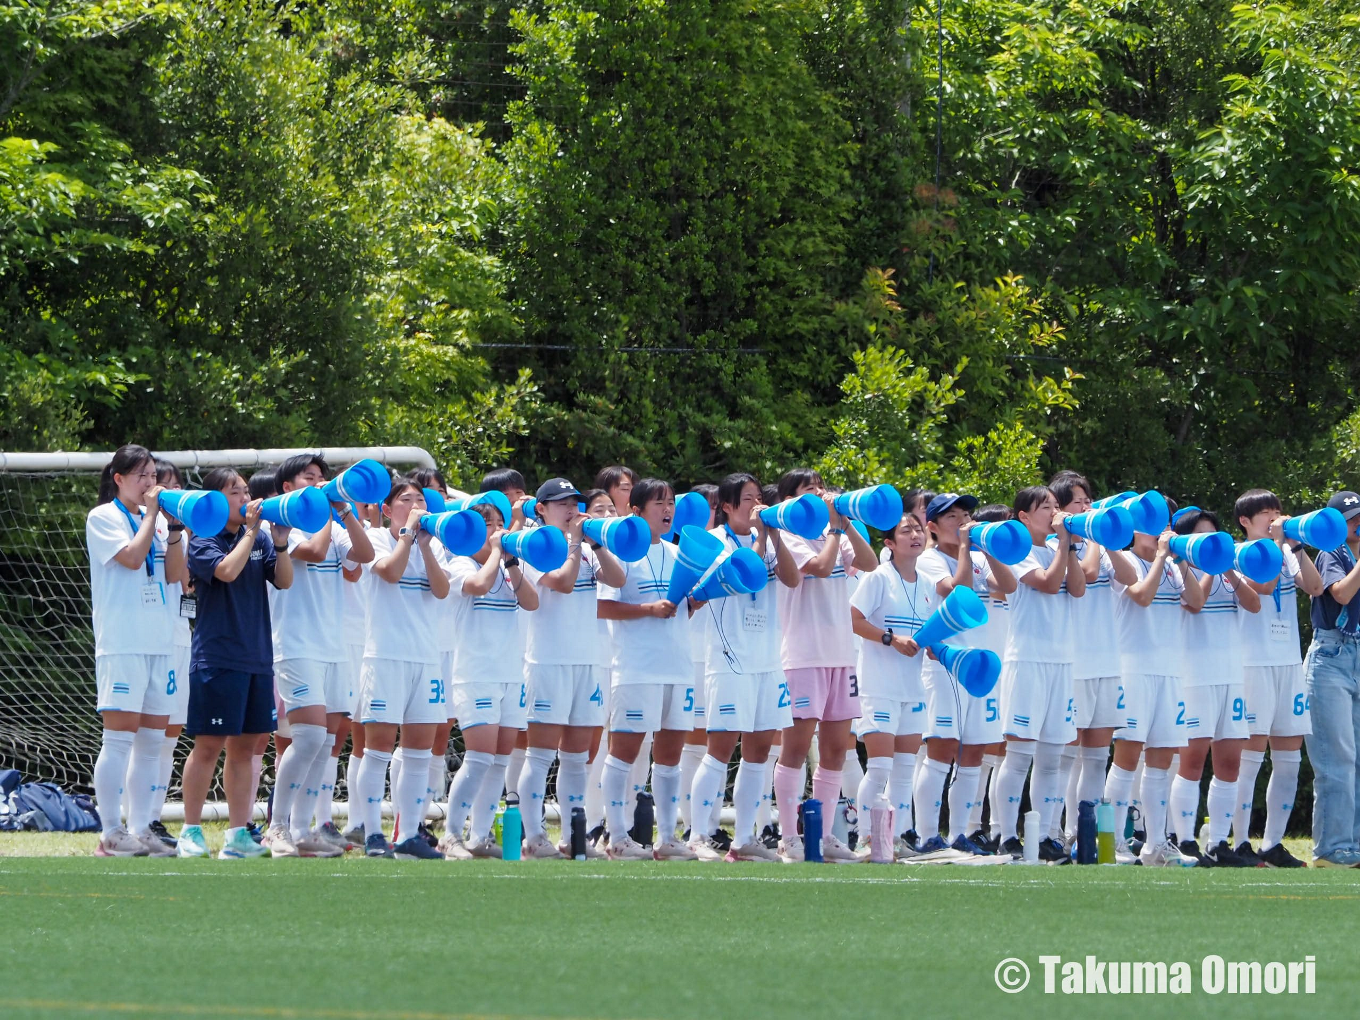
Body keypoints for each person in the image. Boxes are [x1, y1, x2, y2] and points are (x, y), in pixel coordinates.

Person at [179, 467, 294, 859]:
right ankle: (190, 831)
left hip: (257, 657)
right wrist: (249, 533)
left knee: (246, 749)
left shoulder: (260, 537)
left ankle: (237, 834)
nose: (246, 498)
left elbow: (285, 581)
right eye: (235, 492)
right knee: (208, 745)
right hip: (218, 657)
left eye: (246, 490)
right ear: (214, 499)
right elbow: (226, 572)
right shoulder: (203, 539)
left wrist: (278, 544)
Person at [265, 454, 374, 856]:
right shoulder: (276, 523)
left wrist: (344, 510)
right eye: (308, 478)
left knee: (325, 742)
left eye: (322, 478)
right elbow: (311, 551)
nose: (319, 483)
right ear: (288, 488)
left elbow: (363, 555)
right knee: (308, 737)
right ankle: (277, 827)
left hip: (333, 646)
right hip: (295, 645)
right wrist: (326, 510)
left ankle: (301, 827)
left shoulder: (333, 523)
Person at [688, 473, 799, 861]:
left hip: (767, 660)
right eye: (748, 499)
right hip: (729, 658)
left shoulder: (768, 540)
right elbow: (741, 569)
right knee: (719, 749)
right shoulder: (716, 542)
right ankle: (699, 834)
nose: (756, 505)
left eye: (758, 497)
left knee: (759, 751)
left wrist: (775, 534)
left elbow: (792, 578)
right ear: (728, 507)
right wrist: (761, 536)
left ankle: (744, 838)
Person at [771, 469, 878, 862]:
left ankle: (826, 834)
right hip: (802, 656)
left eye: (820, 488)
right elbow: (816, 568)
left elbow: (867, 562)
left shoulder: (832, 532)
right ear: (791, 500)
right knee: (795, 748)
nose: (818, 494)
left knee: (835, 749)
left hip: (840, 655)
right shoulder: (788, 536)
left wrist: (845, 524)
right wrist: (834, 530)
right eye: (807, 490)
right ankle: (789, 836)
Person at [85, 444, 186, 857]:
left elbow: (178, 576)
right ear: (119, 479)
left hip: (160, 642)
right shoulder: (104, 516)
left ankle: (141, 826)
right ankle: (111, 831)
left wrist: (175, 529)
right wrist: (150, 517)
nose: (150, 483)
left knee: (152, 740)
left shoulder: (159, 524)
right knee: (119, 738)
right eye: (141, 476)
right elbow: (130, 558)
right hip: (124, 642)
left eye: (153, 476)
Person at [517, 477, 626, 858]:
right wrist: (577, 544)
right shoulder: (535, 545)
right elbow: (562, 583)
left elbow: (618, 578)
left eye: (573, 502)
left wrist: (594, 541)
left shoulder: (586, 548)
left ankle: (572, 834)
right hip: (548, 661)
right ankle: (533, 836)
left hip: (587, 661)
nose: (570, 510)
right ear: (543, 509)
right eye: (561, 503)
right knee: (541, 754)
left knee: (578, 756)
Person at [349, 480, 450, 860]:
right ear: (388, 509)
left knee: (419, 754)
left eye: (420, 501)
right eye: (406, 500)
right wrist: (408, 537)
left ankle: (409, 833)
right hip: (385, 657)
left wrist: (424, 544)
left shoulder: (434, 543)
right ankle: (374, 833)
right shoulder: (375, 537)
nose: (415, 506)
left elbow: (440, 590)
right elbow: (389, 572)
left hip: (425, 658)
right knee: (377, 751)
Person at [598, 478, 698, 860]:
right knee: (623, 752)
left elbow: (687, 607)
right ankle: (617, 836)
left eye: (670, 502)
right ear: (636, 512)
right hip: (637, 668)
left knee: (670, 755)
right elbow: (601, 607)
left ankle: (667, 836)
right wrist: (647, 610)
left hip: (678, 667)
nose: (667, 509)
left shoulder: (680, 554)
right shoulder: (622, 553)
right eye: (659, 503)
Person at [915, 494, 1016, 856]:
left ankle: (959, 834)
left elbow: (1007, 587)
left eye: (966, 515)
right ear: (932, 526)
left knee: (973, 752)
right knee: (941, 749)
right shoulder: (928, 559)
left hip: (980, 664)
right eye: (952, 517)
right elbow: (957, 590)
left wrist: (986, 549)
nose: (962, 522)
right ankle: (928, 835)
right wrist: (965, 550)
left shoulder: (975, 557)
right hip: (944, 665)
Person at [1105, 508, 1205, 867]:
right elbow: (1142, 596)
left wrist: (1181, 561)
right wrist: (1162, 557)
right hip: (1133, 670)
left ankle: (1155, 844)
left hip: (1169, 671)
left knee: (1162, 759)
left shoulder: (1173, 567)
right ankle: (1114, 841)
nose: (1160, 533)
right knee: (1128, 756)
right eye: (1152, 528)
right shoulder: (1125, 561)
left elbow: (1196, 601)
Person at [991, 486, 1085, 862]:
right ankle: (1007, 834)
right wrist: (1063, 543)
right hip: (1027, 660)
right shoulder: (1014, 549)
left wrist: (1069, 545)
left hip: (1061, 662)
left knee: (1052, 757)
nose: (1052, 512)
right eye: (1043, 507)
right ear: (1023, 517)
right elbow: (1046, 583)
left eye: (1054, 506)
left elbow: (1076, 589)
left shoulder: (1059, 547)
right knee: (1018, 755)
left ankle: (1046, 833)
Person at [440, 502, 538, 858]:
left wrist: (509, 560)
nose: (497, 530)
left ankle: (480, 835)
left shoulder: (510, 568)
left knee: (500, 759)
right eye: (488, 525)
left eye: (500, 523)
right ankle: (451, 834)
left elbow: (531, 602)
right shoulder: (460, 563)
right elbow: (479, 586)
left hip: (510, 674)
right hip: (476, 673)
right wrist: (496, 551)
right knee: (479, 757)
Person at [1234, 488, 1323, 867]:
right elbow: (1263, 587)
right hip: (1253, 663)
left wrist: (1297, 546)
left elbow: (1316, 588)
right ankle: (1238, 842)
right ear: (1245, 521)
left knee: (1289, 758)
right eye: (1265, 514)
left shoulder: (1287, 551)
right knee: (1249, 756)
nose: (1274, 519)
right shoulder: (1239, 553)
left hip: (1287, 662)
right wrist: (1276, 544)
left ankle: (1272, 844)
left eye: (1277, 512)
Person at [1167, 508, 1258, 866]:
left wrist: (1228, 570)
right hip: (1195, 676)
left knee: (1230, 762)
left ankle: (1219, 842)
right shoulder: (1179, 572)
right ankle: (1185, 839)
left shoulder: (1227, 573)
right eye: (1201, 539)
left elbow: (1253, 604)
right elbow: (1195, 603)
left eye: (1214, 538)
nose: (1210, 545)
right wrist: (1204, 566)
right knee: (1192, 761)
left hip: (1230, 676)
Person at [1049, 473, 1135, 847]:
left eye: (1088, 502)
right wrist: (1093, 537)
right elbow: (1086, 575)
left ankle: (1086, 833)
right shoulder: (1058, 545)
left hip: (1106, 661)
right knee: (1067, 753)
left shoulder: (1102, 545)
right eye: (1077, 503)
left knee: (1097, 755)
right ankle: (1059, 831)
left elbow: (1129, 577)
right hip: (1073, 662)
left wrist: (1107, 539)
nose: (1086, 508)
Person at [850, 512, 933, 857]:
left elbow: (931, 635)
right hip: (878, 686)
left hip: (913, 689)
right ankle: (867, 838)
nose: (915, 535)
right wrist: (889, 638)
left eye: (918, 529)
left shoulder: (927, 584)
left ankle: (895, 838)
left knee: (903, 771)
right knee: (880, 766)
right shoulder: (878, 578)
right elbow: (853, 619)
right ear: (889, 543)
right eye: (905, 531)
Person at [1303, 491, 1360, 867]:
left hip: (1354, 653)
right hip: (1331, 657)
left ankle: (1352, 847)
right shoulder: (1333, 551)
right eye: (1352, 517)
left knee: (1354, 760)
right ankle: (1332, 849)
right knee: (1337, 759)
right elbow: (1339, 593)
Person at [142, 457, 192, 850]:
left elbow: (181, 580)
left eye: (173, 487)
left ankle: (154, 817)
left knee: (170, 735)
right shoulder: (127, 522)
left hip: (177, 636)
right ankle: (135, 816)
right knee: (140, 735)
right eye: (159, 484)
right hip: (143, 640)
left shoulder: (180, 531)